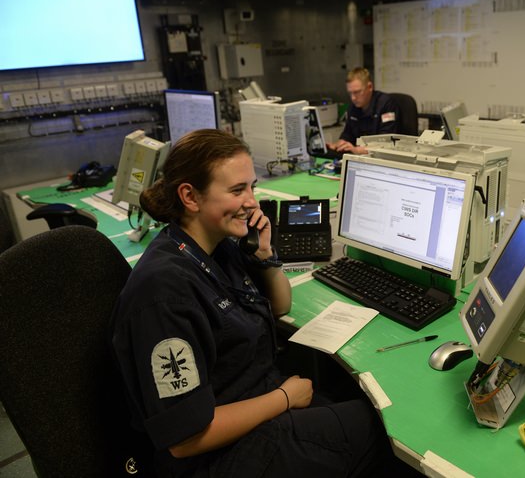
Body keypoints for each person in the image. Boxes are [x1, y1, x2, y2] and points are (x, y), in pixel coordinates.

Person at [110, 129, 410, 477]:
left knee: (352, 403)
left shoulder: (217, 245)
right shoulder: (163, 293)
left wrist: (265, 255)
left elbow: (280, 306)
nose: (252, 201)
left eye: (251, 186)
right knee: (383, 429)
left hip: (253, 405)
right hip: (216, 457)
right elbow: (185, 439)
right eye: (238, 190)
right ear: (190, 197)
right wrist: (283, 398)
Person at [326, 67, 401, 155]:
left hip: (387, 158)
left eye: (357, 92)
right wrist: (337, 146)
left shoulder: (387, 104)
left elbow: (387, 143)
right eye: (350, 93)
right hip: (362, 157)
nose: (353, 98)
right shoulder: (353, 107)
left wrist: (357, 150)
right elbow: (347, 134)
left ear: (370, 87)